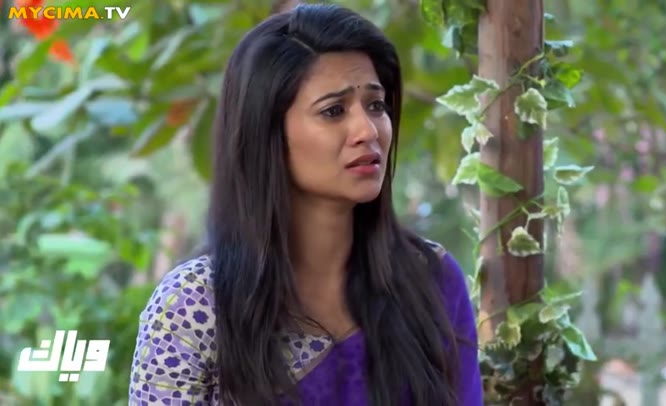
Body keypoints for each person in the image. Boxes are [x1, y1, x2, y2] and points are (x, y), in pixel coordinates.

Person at [127, 4, 483, 405]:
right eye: (333, 111)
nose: (367, 130)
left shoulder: (430, 281)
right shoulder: (195, 306)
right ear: (267, 133)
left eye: (376, 105)